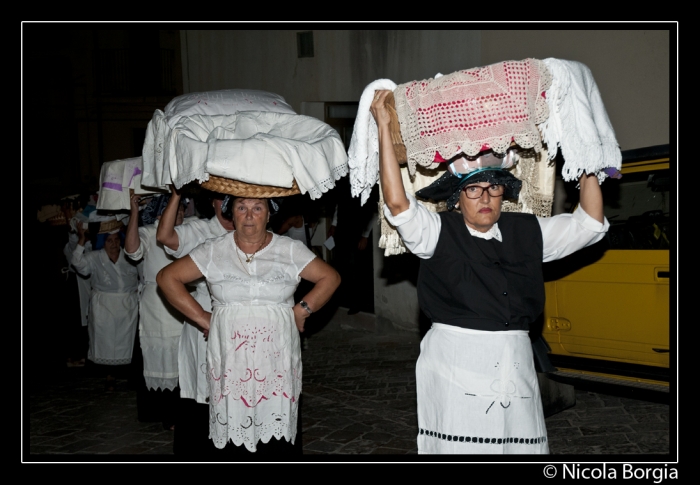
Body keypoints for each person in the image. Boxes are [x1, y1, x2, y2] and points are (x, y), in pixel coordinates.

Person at [370, 89, 609, 454]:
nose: (485, 198)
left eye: (494, 187)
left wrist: (583, 155)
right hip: (456, 365)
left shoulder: (528, 231)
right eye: (473, 189)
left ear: (503, 194)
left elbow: (590, 223)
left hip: (514, 364)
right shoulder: (437, 232)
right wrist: (384, 127)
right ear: (456, 198)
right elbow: (398, 202)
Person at [157, 195, 341, 457]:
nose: (249, 215)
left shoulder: (289, 249)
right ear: (232, 213)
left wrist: (302, 310)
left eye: (257, 208)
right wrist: (203, 317)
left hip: (276, 361)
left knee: (276, 434)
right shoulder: (213, 249)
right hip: (231, 362)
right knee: (233, 432)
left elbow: (330, 277)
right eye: (241, 208)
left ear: (269, 214)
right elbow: (167, 277)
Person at [155, 186, 235, 456]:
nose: (226, 205)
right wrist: (178, 194)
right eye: (221, 198)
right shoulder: (200, 231)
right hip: (203, 315)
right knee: (204, 388)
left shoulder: (247, 229)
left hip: (237, 317)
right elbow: (165, 236)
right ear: (212, 202)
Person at [124, 192, 187, 430]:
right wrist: (134, 214)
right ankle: (167, 413)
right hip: (158, 305)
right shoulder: (149, 233)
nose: (179, 214)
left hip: (187, 300)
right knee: (163, 359)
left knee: (185, 356)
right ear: (160, 214)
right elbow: (132, 251)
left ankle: (187, 410)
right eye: (174, 210)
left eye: (181, 210)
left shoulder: (190, 231)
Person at [70, 221, 140, 390]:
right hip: (104, 307)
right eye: (109, 240)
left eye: (116, 240)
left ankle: (128, 374)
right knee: (106, 341)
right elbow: (77, 263)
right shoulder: (95, 257)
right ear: (103, 242)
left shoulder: (129, 256)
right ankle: (110, 375)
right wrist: (81, 239)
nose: (114, 244)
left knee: (126, 342)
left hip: (127, 307)